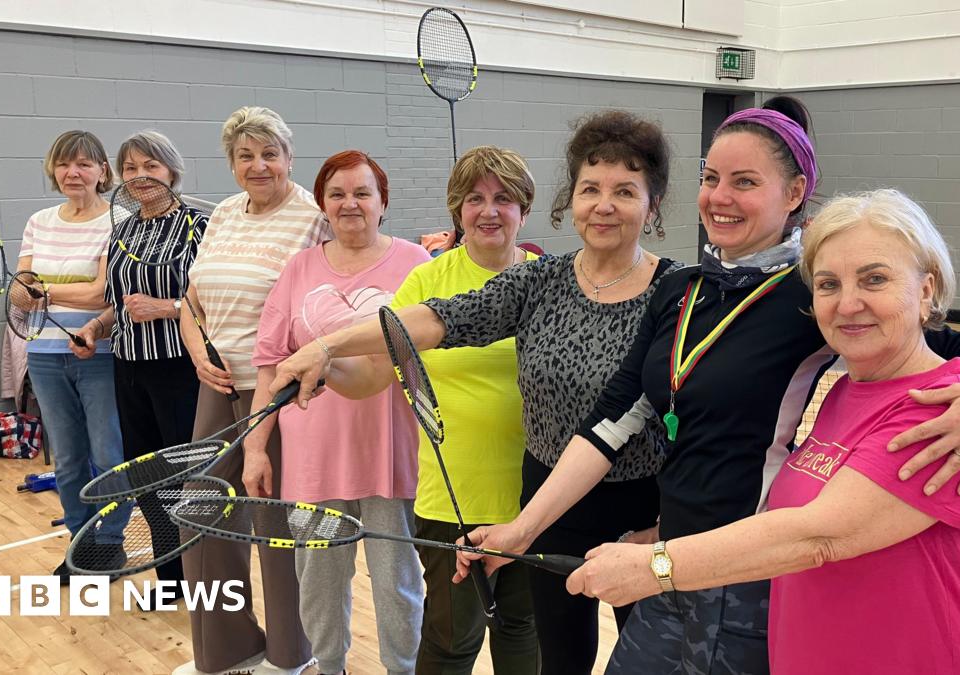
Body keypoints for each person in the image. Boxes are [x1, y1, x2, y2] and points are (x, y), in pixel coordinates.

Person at [454, 97, 960, 674]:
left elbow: (944, 339)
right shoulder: (681, 289)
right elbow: (613, 418)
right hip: (671, 554)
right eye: (711, 178)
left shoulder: (813, 290)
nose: (720, 196)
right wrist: (523, 528)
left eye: (745, 181)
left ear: (793, 194)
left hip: (743, 567)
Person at [564, 188, 960, 674]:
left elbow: (819, 537)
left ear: (926, 290)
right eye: (829, 284)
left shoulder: (946, 410)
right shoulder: (844, 396)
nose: (848, 303)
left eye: (874, 279)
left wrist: (656, 568)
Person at [275, 111, 680, 674]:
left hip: (639, 508)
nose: (604, 204)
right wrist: (328, 348)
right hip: (540, 498)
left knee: (649, 656)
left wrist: (669, 524)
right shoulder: (541, 280)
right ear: (572, 199)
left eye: (625, 191)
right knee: (552, 654)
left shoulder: (677, 291)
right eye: (591, 189)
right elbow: (440, 318)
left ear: (652, 203)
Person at [276, 145, 541, 674]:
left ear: (523, 210)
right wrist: (327, 363)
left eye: (503, 199)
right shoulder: (427, 283)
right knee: (449, 641)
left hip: (535, 494)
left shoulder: (552, 279)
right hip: (450, 497)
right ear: (457, 210)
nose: (488, 211)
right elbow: (375, 374)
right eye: (474, 199)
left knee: (522, 632)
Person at [244, 151, 429, 675]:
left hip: (393, 454)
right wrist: (256, 448)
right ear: (323, 205)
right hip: (313, 459)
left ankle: (403, 669)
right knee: (319, 579)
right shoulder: (300, 267)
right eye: (338, 194)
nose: (350, 204)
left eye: (362, 193)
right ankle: (330, 666)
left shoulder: (417, 264)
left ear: (383, 202)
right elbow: (268, 366)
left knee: (397, 581)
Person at [174, 106, 328, 675]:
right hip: (217, 382)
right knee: (199, 512)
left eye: (269, 154)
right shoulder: (222, 214)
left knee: (276, 525)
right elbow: (190, 300)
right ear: (232, 164)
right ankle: (226, 649)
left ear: (289, 158)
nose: (258, 165)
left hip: (282, 390)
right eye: (246, 155)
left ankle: (293, 656)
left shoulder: (314, 216)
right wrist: (195, 348)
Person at [70, 130, 204, 594]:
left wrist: (167, 308)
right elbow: (120, 304)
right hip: (128, 367)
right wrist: (95, 328)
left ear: (171, 171)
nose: (140, 177)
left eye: (151, 166)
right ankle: (171, 576)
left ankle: (203, 575)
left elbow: (214, 303)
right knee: (146, 474)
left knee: (187, 476)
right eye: (130, 168)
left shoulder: (198, 226)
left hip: (179, 366)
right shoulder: (123, 228)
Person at [18, 130, 128, 582]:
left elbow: (104, 291)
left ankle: (111, 544)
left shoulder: (118, 221)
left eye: (84, 164)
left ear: (103, 171)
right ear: (53, 170)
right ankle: (79, 543)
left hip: (98, 353)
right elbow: (19, 294)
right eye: (64, 164)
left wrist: (43, 289)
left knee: (108, 454)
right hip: (42, 355)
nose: (73, 172)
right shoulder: (39, 221)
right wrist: (50, 293)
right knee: (65, 458)